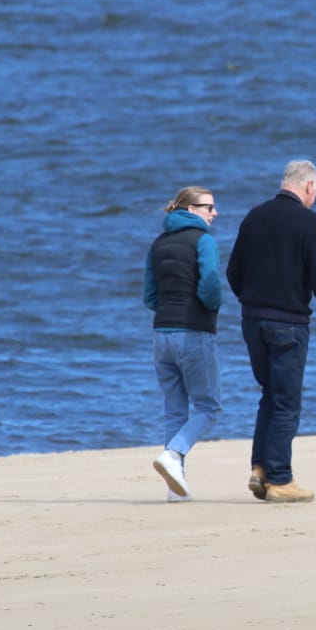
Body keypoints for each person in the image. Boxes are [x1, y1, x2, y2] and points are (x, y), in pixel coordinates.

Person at [226, 160, 316, 503]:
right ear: (309, 186)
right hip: (288, 324)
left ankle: (260, 469)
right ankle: (280, 479)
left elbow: (233, 271)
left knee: (270, 395)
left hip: (252, 321)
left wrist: (253, 301)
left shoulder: (254, 216)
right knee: (286, 401)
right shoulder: (307, 221)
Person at [143, 186, 222, 503]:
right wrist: (211, 307)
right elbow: (210, 283)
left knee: (175, 410)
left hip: (162, 333)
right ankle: (174, 454)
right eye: (209, 207)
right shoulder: (204, 240)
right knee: (208, 407)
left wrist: (168, 309)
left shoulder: (158, 243)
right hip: (193, 331)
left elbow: (150, 295)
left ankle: (175, 488)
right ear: (191, 210)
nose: (214, 213)